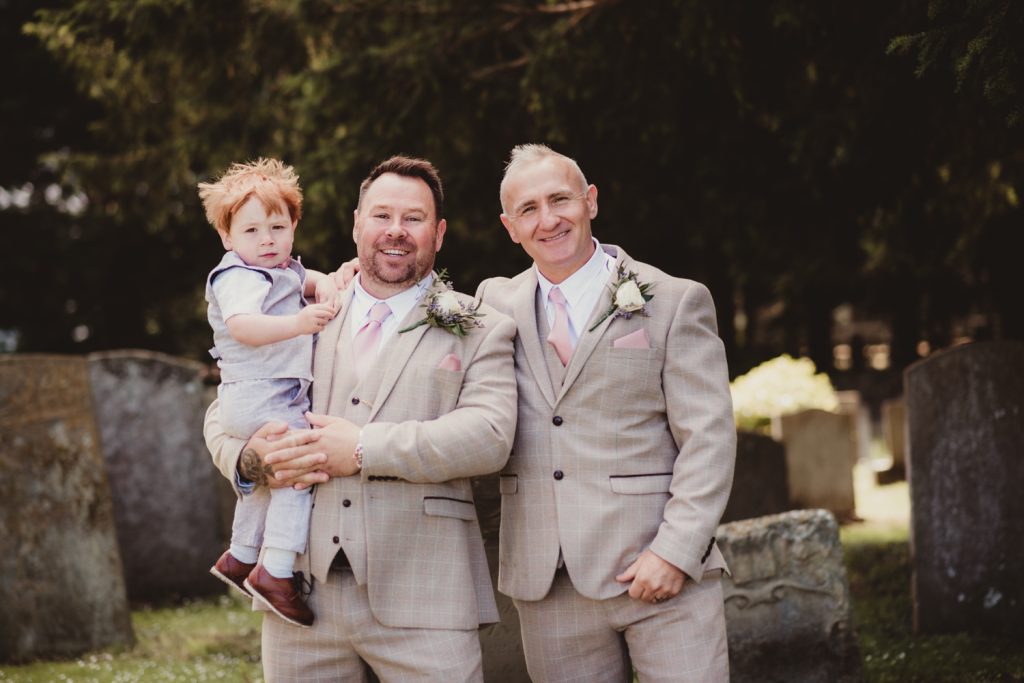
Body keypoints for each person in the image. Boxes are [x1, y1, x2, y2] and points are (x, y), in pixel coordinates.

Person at [204, 155, 518, 682]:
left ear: (438, 233)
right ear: (356, 224)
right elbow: (227, 406)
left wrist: (362, 449)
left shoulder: (480, 325)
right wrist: (252, 460)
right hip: (300, 599)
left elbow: (489, 437)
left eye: (413, 218)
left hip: (426, 598)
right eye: (381, 215)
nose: (395, 231)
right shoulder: (295, 309)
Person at [476, 144, 736, 682]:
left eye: (560, 199)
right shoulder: (491, 306)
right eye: (528, 209)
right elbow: (405, 308)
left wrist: (676, 551)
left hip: (660, 572)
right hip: (549, 585)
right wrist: (331, 278)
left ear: (590, 201)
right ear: (510, 227)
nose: (548, 220)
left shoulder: (673, 300)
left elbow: (708, 439)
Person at [199, 158, 338, 627]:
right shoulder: (239, 275)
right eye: (252, 230)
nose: (267, 240)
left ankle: (240, 556)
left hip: (267, 394)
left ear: (294, 228)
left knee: (267, 479)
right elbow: (243, 327)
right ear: (227, 238)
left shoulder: (283, 268)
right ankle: (275, 570)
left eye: (278, 227)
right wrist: (298, 323)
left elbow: (313, 280)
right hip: (257, 393)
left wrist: (337, 279)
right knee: (300, 467)